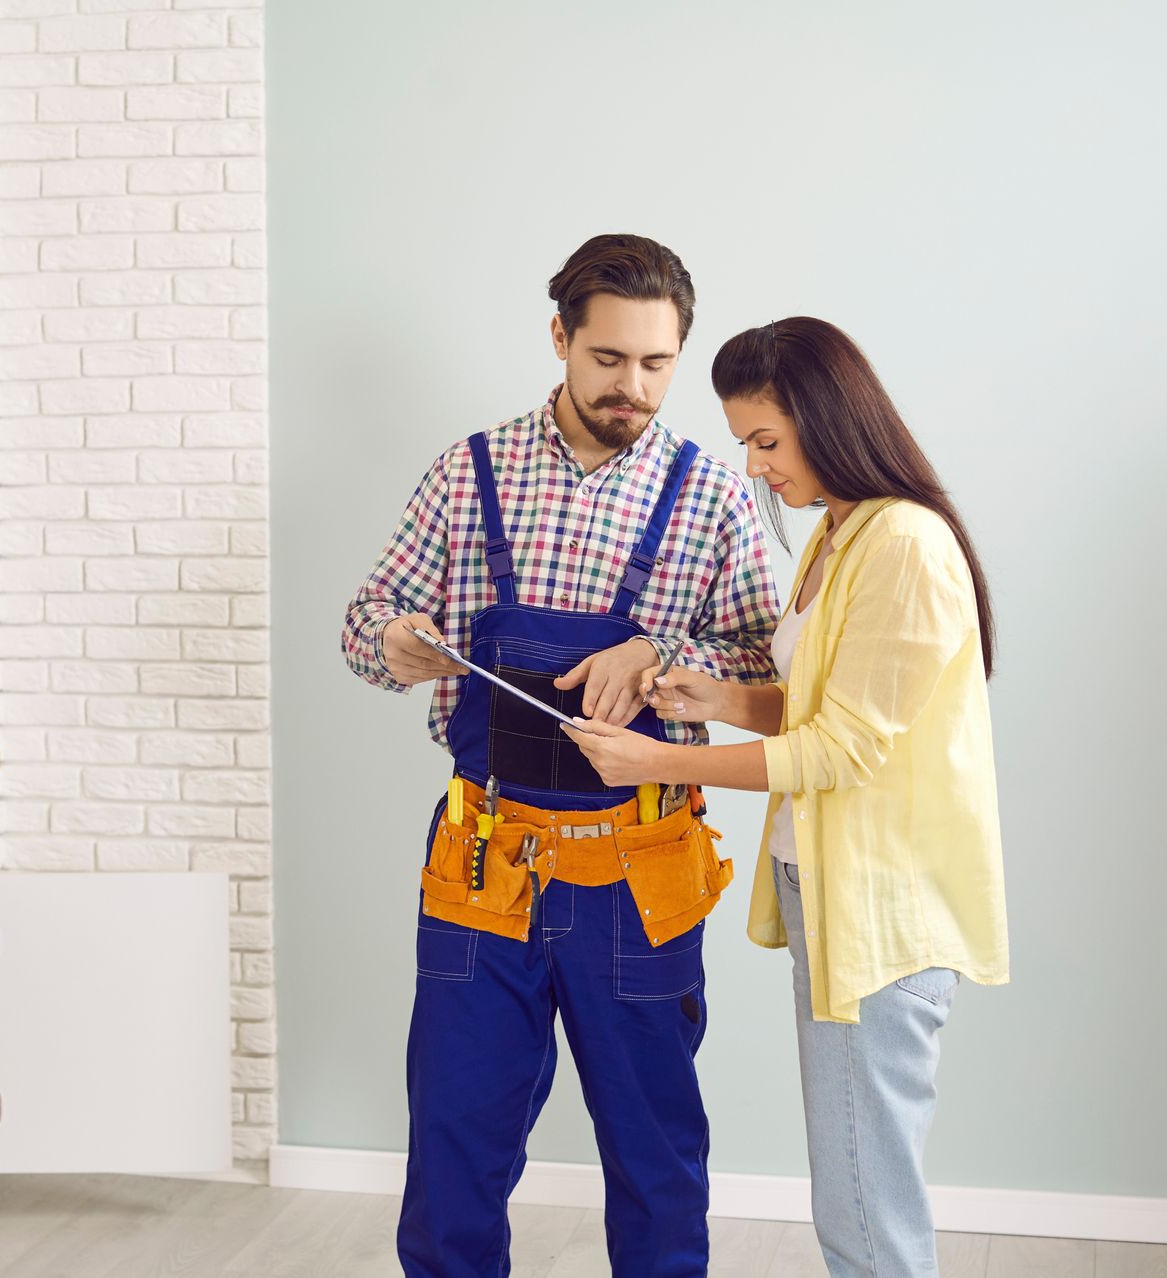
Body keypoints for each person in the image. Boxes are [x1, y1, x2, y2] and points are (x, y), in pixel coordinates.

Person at [341, 233, 780, 1277]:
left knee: (655, 1154)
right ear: (560, 339)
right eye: (609, 360)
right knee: (453, 1149)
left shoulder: (714, 496)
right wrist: (399, 646)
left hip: (637, 873)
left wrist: (662, 654)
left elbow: (774, 670)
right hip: (481, 867)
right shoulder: (467, 474)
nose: (633, 386)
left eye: (656, 365)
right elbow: (365, 625)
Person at [563, 317, 1011, 1277]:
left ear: (828, 419)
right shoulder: (836, 537)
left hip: (884, 912)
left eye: (767, 441)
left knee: (865, 1197)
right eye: (745, 445)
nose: (757, 468)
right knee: (851, 1183)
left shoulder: (904, 545)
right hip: (830, 895)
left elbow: (841, 749)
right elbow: (817, 707)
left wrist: (661, 764)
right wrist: (719, 697)